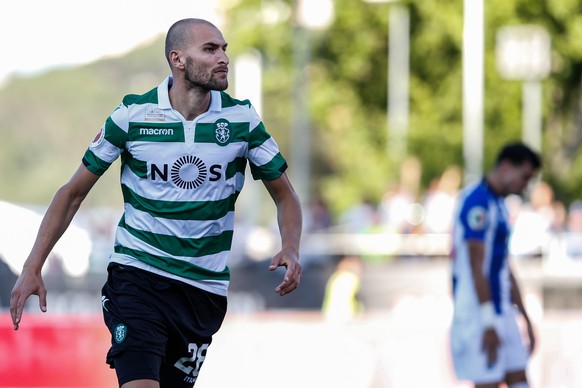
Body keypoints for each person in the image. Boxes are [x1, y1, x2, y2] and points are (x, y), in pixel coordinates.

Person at [10, 18, 302, 388]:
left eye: (224, 49)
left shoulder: (241, 119)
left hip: (202, 289)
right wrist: (33, 265)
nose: (223, 57)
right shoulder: (132, 116)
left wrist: (291, 247)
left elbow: (285, 194)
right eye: (210, 49)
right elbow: (71, 194)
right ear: (177, 59)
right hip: (138, 275)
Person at [450, 142, 540, 388]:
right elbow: (475, 265)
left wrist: (524, 315)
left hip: (502, 310)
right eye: (525, 177)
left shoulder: (499, 204)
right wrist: (488, 322)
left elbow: (503, 267)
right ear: (506, 166)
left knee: (520, 379)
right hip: (478, 313)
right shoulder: (476, 201)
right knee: (488, 383)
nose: (525, 184)